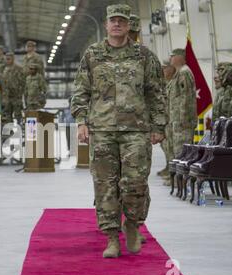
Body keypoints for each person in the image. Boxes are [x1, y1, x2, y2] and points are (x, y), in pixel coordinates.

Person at [71, 4, 166, 258]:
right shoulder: (93, 55)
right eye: (113, 20)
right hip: (102, 130)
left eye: (121, 21)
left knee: (135, 183)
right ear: (106, 24)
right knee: (105, 186)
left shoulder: (144, 56)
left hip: (136, 131)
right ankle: (112, 238)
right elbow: (81, 91)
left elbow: (156, 93)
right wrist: (81, 121)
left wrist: (159, 126)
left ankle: (133, 225)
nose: (117, 24)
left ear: (127, 25)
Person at [168, 48, 197, 158]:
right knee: (178, 151)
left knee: (183, 152)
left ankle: (185, 175)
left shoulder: (184, 73)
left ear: (179, 57)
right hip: (178, 121)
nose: (170, 58)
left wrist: (183, 119)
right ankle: (180, 175)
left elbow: (186, 97)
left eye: (172, 56)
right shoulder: (179, 73)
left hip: (183, 123)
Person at [159, 60, 176, 179]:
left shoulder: (173, 82)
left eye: (165, 68)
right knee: (165, 145)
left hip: (171, 119)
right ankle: (168, 166)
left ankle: (172, 170)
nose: (163, 71)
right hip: (164, 118)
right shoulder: (165, 82)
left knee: (170, 145)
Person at [2, 52, 25, 126]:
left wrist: (20, 93)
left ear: (13, 58)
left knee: (18, 114)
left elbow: (23, 82)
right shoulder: (3, 68)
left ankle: (20, 129)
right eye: (7, 58)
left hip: (16, 96)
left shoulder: (19, 68)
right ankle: (9, 131)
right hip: (7, 96)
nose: (8, 59)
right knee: (8, 114)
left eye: (9, 58)